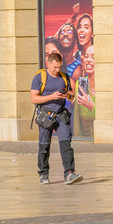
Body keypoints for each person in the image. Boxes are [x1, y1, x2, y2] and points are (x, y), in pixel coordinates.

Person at [32, 49, 83, 185]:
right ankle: (43, 173)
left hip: (61, 114)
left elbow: (72, 96)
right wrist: (51, 97)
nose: (57, 70)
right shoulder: (40, 77)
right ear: (48, 64)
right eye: (55, 67)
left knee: (66, 143)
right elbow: (34, 98)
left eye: (59, 67)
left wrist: (67, 96)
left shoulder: (64, 77)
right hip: (46, 115)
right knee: (44, 146)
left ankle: (69, 173)